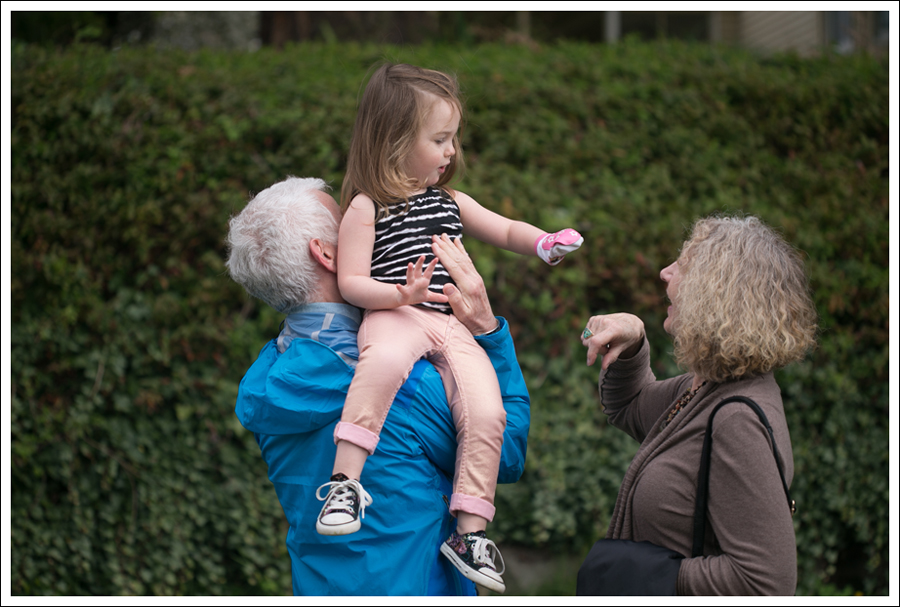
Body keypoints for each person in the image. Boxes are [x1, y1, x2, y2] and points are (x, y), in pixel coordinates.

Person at [322, 62, 582, 593]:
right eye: (440, 138)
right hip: (396, 315)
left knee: (487, 409)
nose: (451, 151)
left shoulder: (451, 203)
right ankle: (345, 482)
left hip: (450, 324)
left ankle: (470, 530)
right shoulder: (366, 209)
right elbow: (350, 282)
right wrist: (401, 294)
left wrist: (543, 243)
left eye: (453, 138)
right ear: (394, 142)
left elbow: (505, 228)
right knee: (384, 365)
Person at [225, 176, 531, 596]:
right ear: (329, 254)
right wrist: (487, 332)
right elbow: (507, 454)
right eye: (351, 222)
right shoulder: (406, 381)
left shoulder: (267, 376)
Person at [580, 215, 817, 595]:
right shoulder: (707, 391)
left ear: (718, 291)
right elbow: (630, 406)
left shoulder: (736, 417)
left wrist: (648, 575)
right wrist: (634, 343)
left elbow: (767, 584)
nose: (664, 272)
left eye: (683, 266)